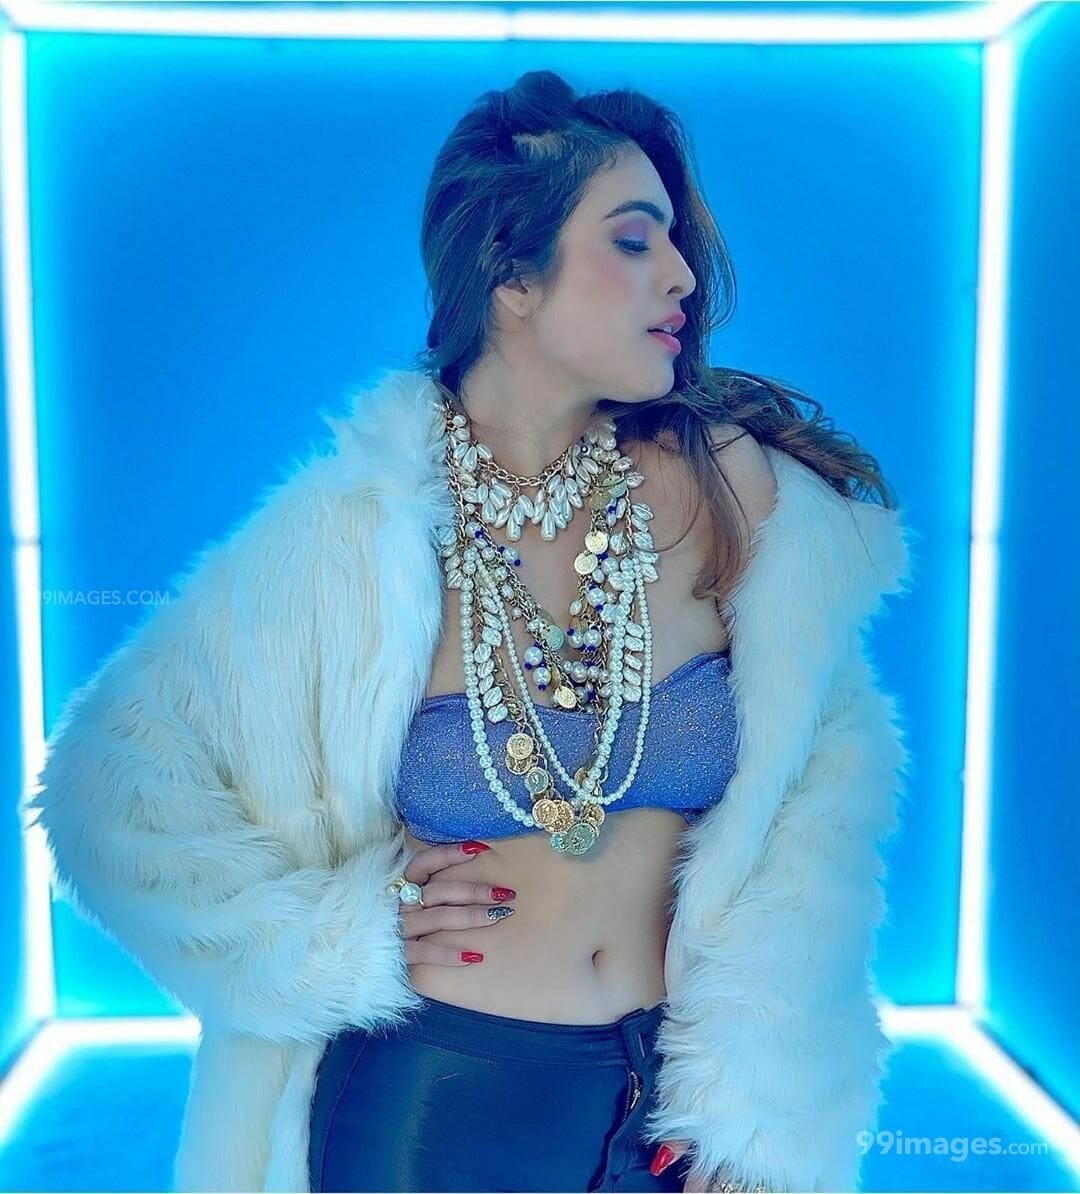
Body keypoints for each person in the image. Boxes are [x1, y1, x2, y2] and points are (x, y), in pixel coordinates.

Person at [24, 70, 916, 1193]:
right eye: (632, 239)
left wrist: (761, 1109)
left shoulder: (731, 494)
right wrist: (339, 933)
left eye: (673, 241)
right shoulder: (358, 537)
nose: (682, 273)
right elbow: (107, 793)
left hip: (672, 1113)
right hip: (432, 1107)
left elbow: (817, 827)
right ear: (510, 273)